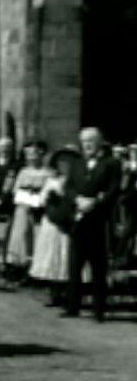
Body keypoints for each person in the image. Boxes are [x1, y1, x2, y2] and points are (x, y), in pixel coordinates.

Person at [65, 127, 121, 321]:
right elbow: (69, 186)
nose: (87, 145)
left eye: (91, 140)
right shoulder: (77, 163)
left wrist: (95, 202)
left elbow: (114, 189)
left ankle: (99, 309)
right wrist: (77, 199)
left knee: (98, 266)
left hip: (99, 220)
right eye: (84, 141)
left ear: (100, 142)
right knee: (75, 264)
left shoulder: (111, 163)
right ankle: (73, 306)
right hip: (79, 218)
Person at [29, 146, 82, 307]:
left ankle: (68, 292)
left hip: (68, 220)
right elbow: (41, 200)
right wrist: (47, 196)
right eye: (61, 161)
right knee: (52, 254)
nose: (64, 165)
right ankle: (54, 292)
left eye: (68, 161)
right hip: (52, 221)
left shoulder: (78, 180)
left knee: (66, 254)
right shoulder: (51, 180)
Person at [4, 140, 50, 285]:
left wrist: (39, 198)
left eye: (33, 153)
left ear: (41, 153)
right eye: (27, 154)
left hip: (39, 211)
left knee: (37, 237)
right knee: (21, 236)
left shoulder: (47, 172)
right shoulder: (23, 171)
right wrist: (23, 194)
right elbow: (15, 189)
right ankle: (20, 268)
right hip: (23, 209)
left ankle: (37, 271)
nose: (30, 157)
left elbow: (48, 191)